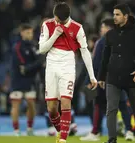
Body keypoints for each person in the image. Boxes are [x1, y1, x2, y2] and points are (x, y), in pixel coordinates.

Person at [39, 2, 97, 143]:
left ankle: (63, 139)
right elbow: (42, 49)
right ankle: (62, 131)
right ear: (54, 16)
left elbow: (85, 52)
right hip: (51, 66)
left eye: (62, 21)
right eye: (58, 19)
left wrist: (92, 76)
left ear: (68, 17)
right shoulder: (47, 25)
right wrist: (54, 36)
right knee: (52, 109)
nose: (59, 22)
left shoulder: (77, 28)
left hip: (68, 67)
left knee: (66, 103)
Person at [97, 4, 135, 143]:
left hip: (132, 77)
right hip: (113, 77)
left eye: (117, 14)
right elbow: (105, 57)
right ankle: (112, 139)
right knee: (111, 109)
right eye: (114, 14)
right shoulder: (110, 34)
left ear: (126, 16)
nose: (114, 17)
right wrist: (102, 76)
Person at [80, 18, 134, 141]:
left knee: (99, 104)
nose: (101, 30)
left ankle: (96, 132)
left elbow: (97, 62)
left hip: (105, 80)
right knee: (122, 105)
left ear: (108, 28)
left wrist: (93, 79)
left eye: (103, 27)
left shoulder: (102, 41)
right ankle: (129, 131)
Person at [10, 24, 43, 136]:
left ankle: (29, 128)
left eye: (31, 32)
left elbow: (40, 61)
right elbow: (21, 66)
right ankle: (16, 130)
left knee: (31, 104)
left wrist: (29, 67)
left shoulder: (34, 46)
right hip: (18, 80)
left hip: (30, 80)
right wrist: (35, 65)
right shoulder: (17, 47)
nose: (30, 35)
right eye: (28, 32)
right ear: (22, 33)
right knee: (16, 105)